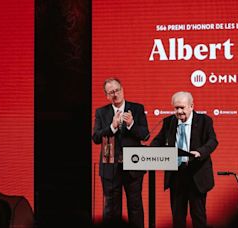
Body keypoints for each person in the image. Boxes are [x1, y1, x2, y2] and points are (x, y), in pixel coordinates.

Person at [151, 91, 218, 228]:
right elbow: (157, 141)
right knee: (178, 218)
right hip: (176, 175)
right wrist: (151, 150)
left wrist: (200, 152)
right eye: (176, 108)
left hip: (196, 174)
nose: (179, 111)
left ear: (191, 106)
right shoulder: (169, 122)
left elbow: (212, 141)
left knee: (198, 217)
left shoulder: (204, 120)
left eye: (182, 107)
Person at [92, 78, 149, 228]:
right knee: (111, 208)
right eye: (111, 92)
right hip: (110, 166)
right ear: (107, 96)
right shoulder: (101, 112)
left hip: (134, 165)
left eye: (117, 90)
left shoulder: (136, 109)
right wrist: (112, 126)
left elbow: (145, 134)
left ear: (122, 89)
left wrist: (131, 124)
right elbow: (96, 138)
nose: (116, 94)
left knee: (135, 206)